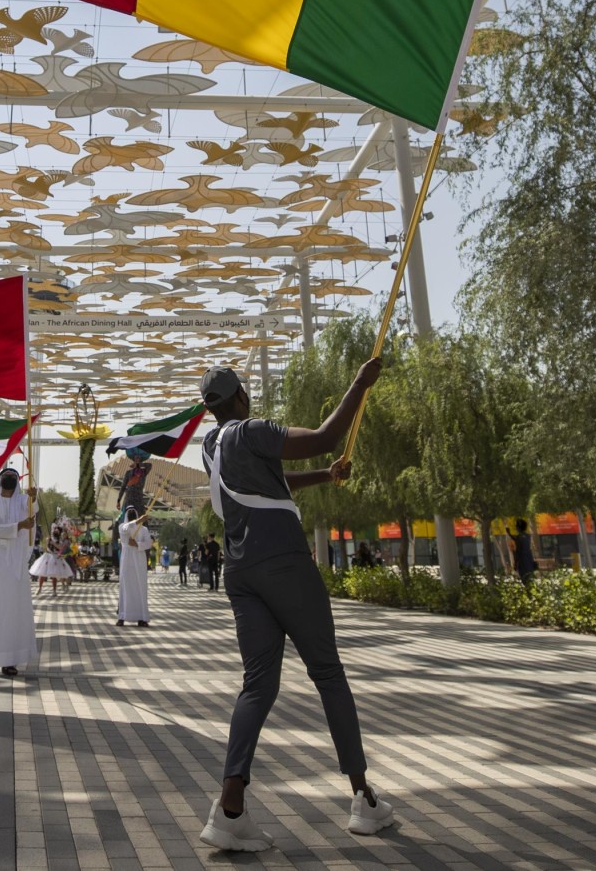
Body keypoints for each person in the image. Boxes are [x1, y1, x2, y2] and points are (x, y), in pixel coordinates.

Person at [194, 362, 395, 851]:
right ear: (240, 397)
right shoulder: (254, 430)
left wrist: (325, 477)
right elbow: (327, 434)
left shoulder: (212, 447)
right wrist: (360, 383)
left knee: (257, 685)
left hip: (241, 573)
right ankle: (362, 799)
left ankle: (229, 807)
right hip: (283, 563)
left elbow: (271, 481)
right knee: (327, 672)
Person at [0, 467, 37, 677]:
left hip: (15, 565)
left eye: (13, 477)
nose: (10, 479)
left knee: (13, 610)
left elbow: (32, 512)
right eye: (7, 477)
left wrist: (34, 498)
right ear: (0, 481)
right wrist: (20, 525)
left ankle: (9, 661)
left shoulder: (22, 502)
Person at [116, 506, 150, 626]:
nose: (130, 512)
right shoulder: (122, 527)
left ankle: (142, 618)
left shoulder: (144, 529)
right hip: (127, 560)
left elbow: (148, 543)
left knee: (140, 586)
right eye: (128, 511)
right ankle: (122, 616)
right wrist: (139, 520)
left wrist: (137, 544)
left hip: (139, 560)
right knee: (126, 587)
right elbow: (126, 528)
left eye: (132, 511)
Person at [30, 516, 75, 598]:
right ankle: (39, 588)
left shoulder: (60, 540)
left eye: (57, 529)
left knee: (54, 575)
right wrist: (49, 541)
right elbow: (46, 546)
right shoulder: (49, 538)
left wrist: (53, 543)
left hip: (55, 557)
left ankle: (54, 590)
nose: (56, 530)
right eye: (55, 529)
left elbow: (60, 547)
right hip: (47, 556)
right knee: (42, 573)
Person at [511, 519, 537, 586]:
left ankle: (529, 594)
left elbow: (518, 551)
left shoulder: (519, 537)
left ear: (518, 528)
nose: (516, 528)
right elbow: (518, 539)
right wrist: (510, 534)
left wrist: (515, 564)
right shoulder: (528, 536)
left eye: (516, 526)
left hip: (523, 561)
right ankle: (530, 593)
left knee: (525, 579)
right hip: (529, 559)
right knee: (530, 578)